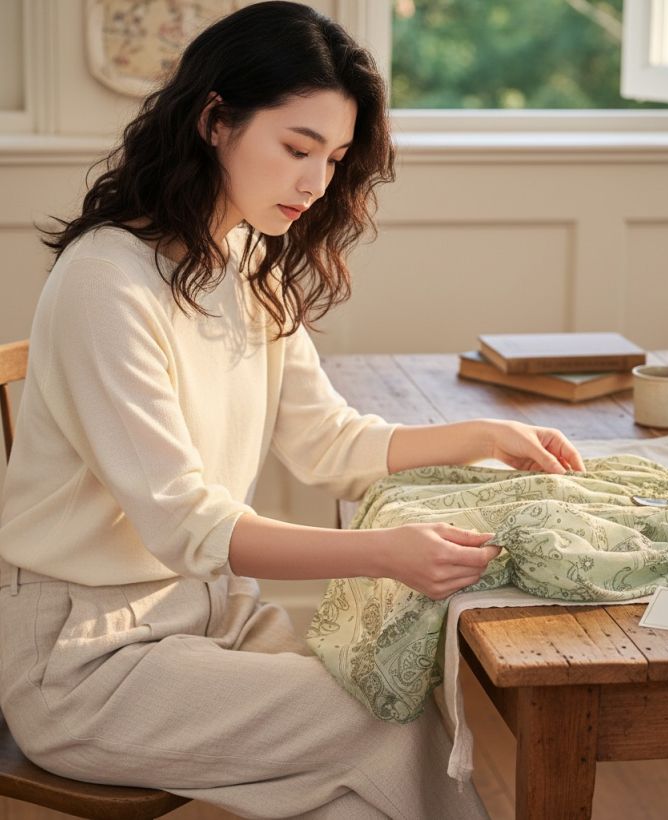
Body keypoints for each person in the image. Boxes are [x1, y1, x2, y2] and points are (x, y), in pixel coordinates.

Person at [0, 3, 585, 817]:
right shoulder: (106, 283)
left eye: (336, 157)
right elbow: (184, 524)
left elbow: (324, 441)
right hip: (85, 663)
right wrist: (383, 552)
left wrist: (487, 433)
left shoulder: (245, 259)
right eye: (297, 148)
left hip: (206, 614)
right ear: (215, 120)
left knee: (392, 698)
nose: (316, 184)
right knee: (373, 721)